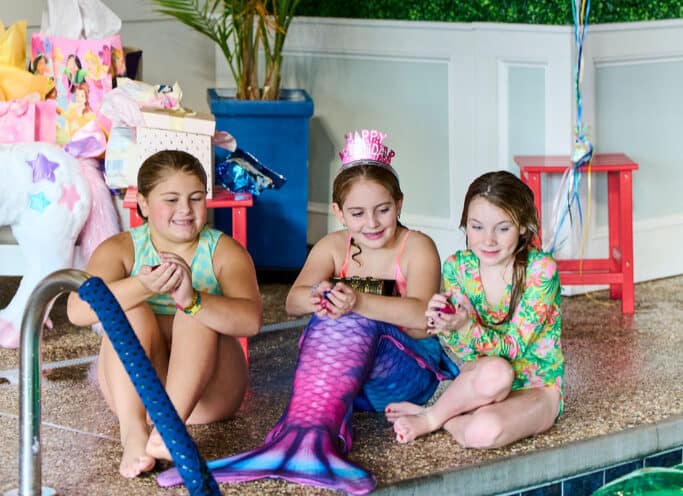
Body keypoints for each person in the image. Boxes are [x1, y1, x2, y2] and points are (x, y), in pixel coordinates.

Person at [157, 129, 459, 496]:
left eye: (384, 210)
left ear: (399, 203)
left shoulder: (417, 247)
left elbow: (420, 318)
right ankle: (300, 440)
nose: (372, 223)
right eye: (358, 213)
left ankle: (307, 441)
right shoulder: (334, 246)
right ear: (338, 212)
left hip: (404, 378)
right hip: (347, 383)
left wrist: (357, 302)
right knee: (332, 312)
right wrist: (321, 294)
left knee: (350, 315)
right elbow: (292, 302)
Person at [67, 148, 262, 480]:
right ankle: (135, 435)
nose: (185, 209)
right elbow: (77, 311)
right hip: (139, 399)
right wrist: (142, 286)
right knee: (130, 311)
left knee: (193, 313)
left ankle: (169, 431)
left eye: (196, 198)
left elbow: (251, 321)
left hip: (207, 397)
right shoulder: (120, 249)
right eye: (171, 200)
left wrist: (193, 300)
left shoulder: (225, 251)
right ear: (143, 203)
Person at [386, 169, 564, 449]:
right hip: (486, 380)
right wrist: (446, 325)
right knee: (496, 372)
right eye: (477, 226)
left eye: (502, 228)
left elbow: (514, 348)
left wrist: (466, 326)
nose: (488, 240)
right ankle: (434, 417)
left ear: (523, 226)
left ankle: (438, 416)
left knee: (483, 432)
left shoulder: (540, 270)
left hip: (536, 387)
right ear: (465, 225)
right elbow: (467, 354)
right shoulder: (459, 267)